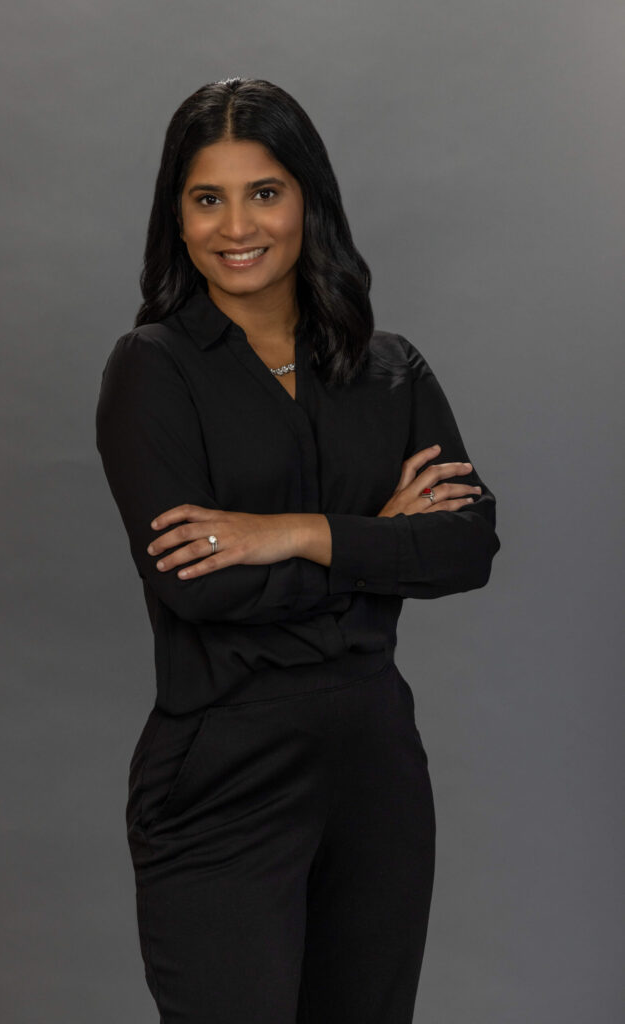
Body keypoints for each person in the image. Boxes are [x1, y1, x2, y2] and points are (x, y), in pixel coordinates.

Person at [95, 75, 501, 1024]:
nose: (237, 226)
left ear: (308, 200)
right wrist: (380, 539)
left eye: (265, 192)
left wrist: (293, 533)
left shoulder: (389, 368)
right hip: (224, 767)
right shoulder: (153, 369)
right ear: (177, 217)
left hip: (376, 767)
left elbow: (467, 547)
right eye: (207, 197)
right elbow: (198, 587)